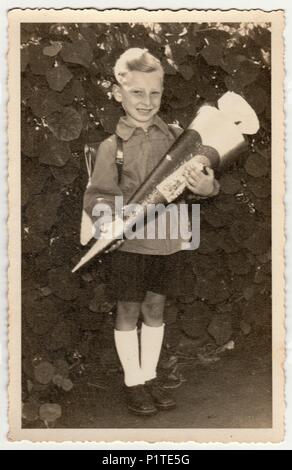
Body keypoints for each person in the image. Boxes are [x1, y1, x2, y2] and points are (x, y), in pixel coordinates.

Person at [83, 48, 220, 416]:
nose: (146, 101)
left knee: (156, 308)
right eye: (136, 93)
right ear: (117, 93)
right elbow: (97, 197)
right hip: (130, 246)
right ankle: (134, 382)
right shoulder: (113, 147)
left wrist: (207, 188)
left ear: (163, 92)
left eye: (154, 93)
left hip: (169, 243)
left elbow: (200, 183)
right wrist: (106, 219)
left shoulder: (179, 137)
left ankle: (150, 374)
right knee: (128, 309)